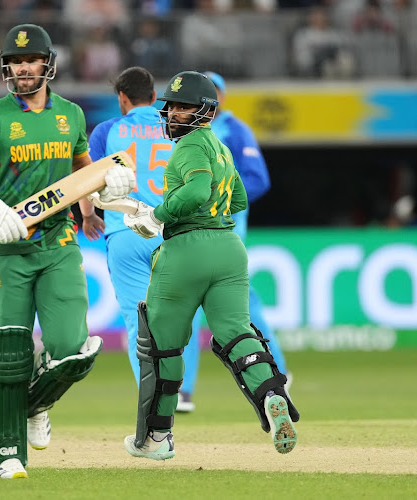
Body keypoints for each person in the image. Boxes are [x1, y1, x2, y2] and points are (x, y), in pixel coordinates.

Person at [0, 23, 135, 479]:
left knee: (73, 349)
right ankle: (6, 456)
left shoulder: (70, 115)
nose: (23, 69)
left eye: (30, 61)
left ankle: (36, 403)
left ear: (48, 65)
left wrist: (94, 202)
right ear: (6, 68)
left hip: (58, 243)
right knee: (11, 350)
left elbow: (81, 168)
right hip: (8, 248)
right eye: (15, 62)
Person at [121, 71, 299, 460]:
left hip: (186, 250)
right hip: (229, 249)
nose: (172, 114)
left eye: (182, 107)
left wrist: (158, 215)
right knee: (237, 334)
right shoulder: (220, 147)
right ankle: (272, 394)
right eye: (171, 106)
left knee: (162, 346)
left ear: (204, 110)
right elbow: (236, 201)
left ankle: (156, 438)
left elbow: (198, 190)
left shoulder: (187, 148)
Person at [86, 66, 203, 412]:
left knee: (139, 324)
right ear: (155, 97)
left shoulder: (108, 130)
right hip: (172, 231)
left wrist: (88, 214)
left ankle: (154, 405)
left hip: (126, 234)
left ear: (122, 99)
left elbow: (87, 178)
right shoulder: (177, 128)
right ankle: (181, 391)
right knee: (180, 317)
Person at [201, 71, 290, 380]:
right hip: (192, 229)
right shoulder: (186, 130)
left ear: (222, 97)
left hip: (225, 229)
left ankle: (275, 369)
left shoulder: (235, 130)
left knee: (238, 300)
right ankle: (177, 388)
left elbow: (257, 179)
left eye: (214, 92)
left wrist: (219, 200)